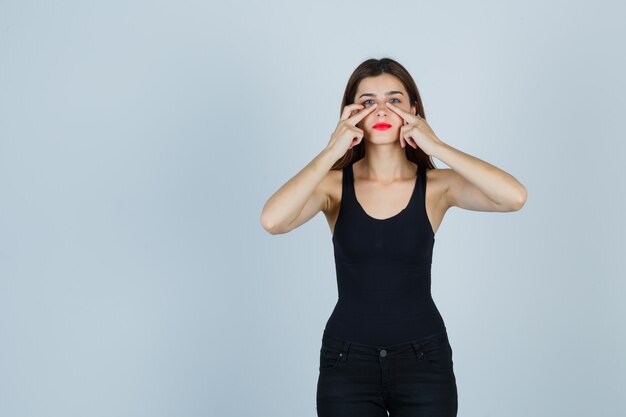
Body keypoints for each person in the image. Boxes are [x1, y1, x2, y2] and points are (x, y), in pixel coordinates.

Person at [260, 57, 527, 417]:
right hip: (347, 363)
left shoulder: (435, 186)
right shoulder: (333, 187)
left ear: (413, 109)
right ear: (351, 114)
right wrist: (330, 152)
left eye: (395, 100)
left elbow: (514, 197)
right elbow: (273, 221)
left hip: (424, 362)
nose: (382, 109)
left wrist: (437, 146)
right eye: (368, 101)